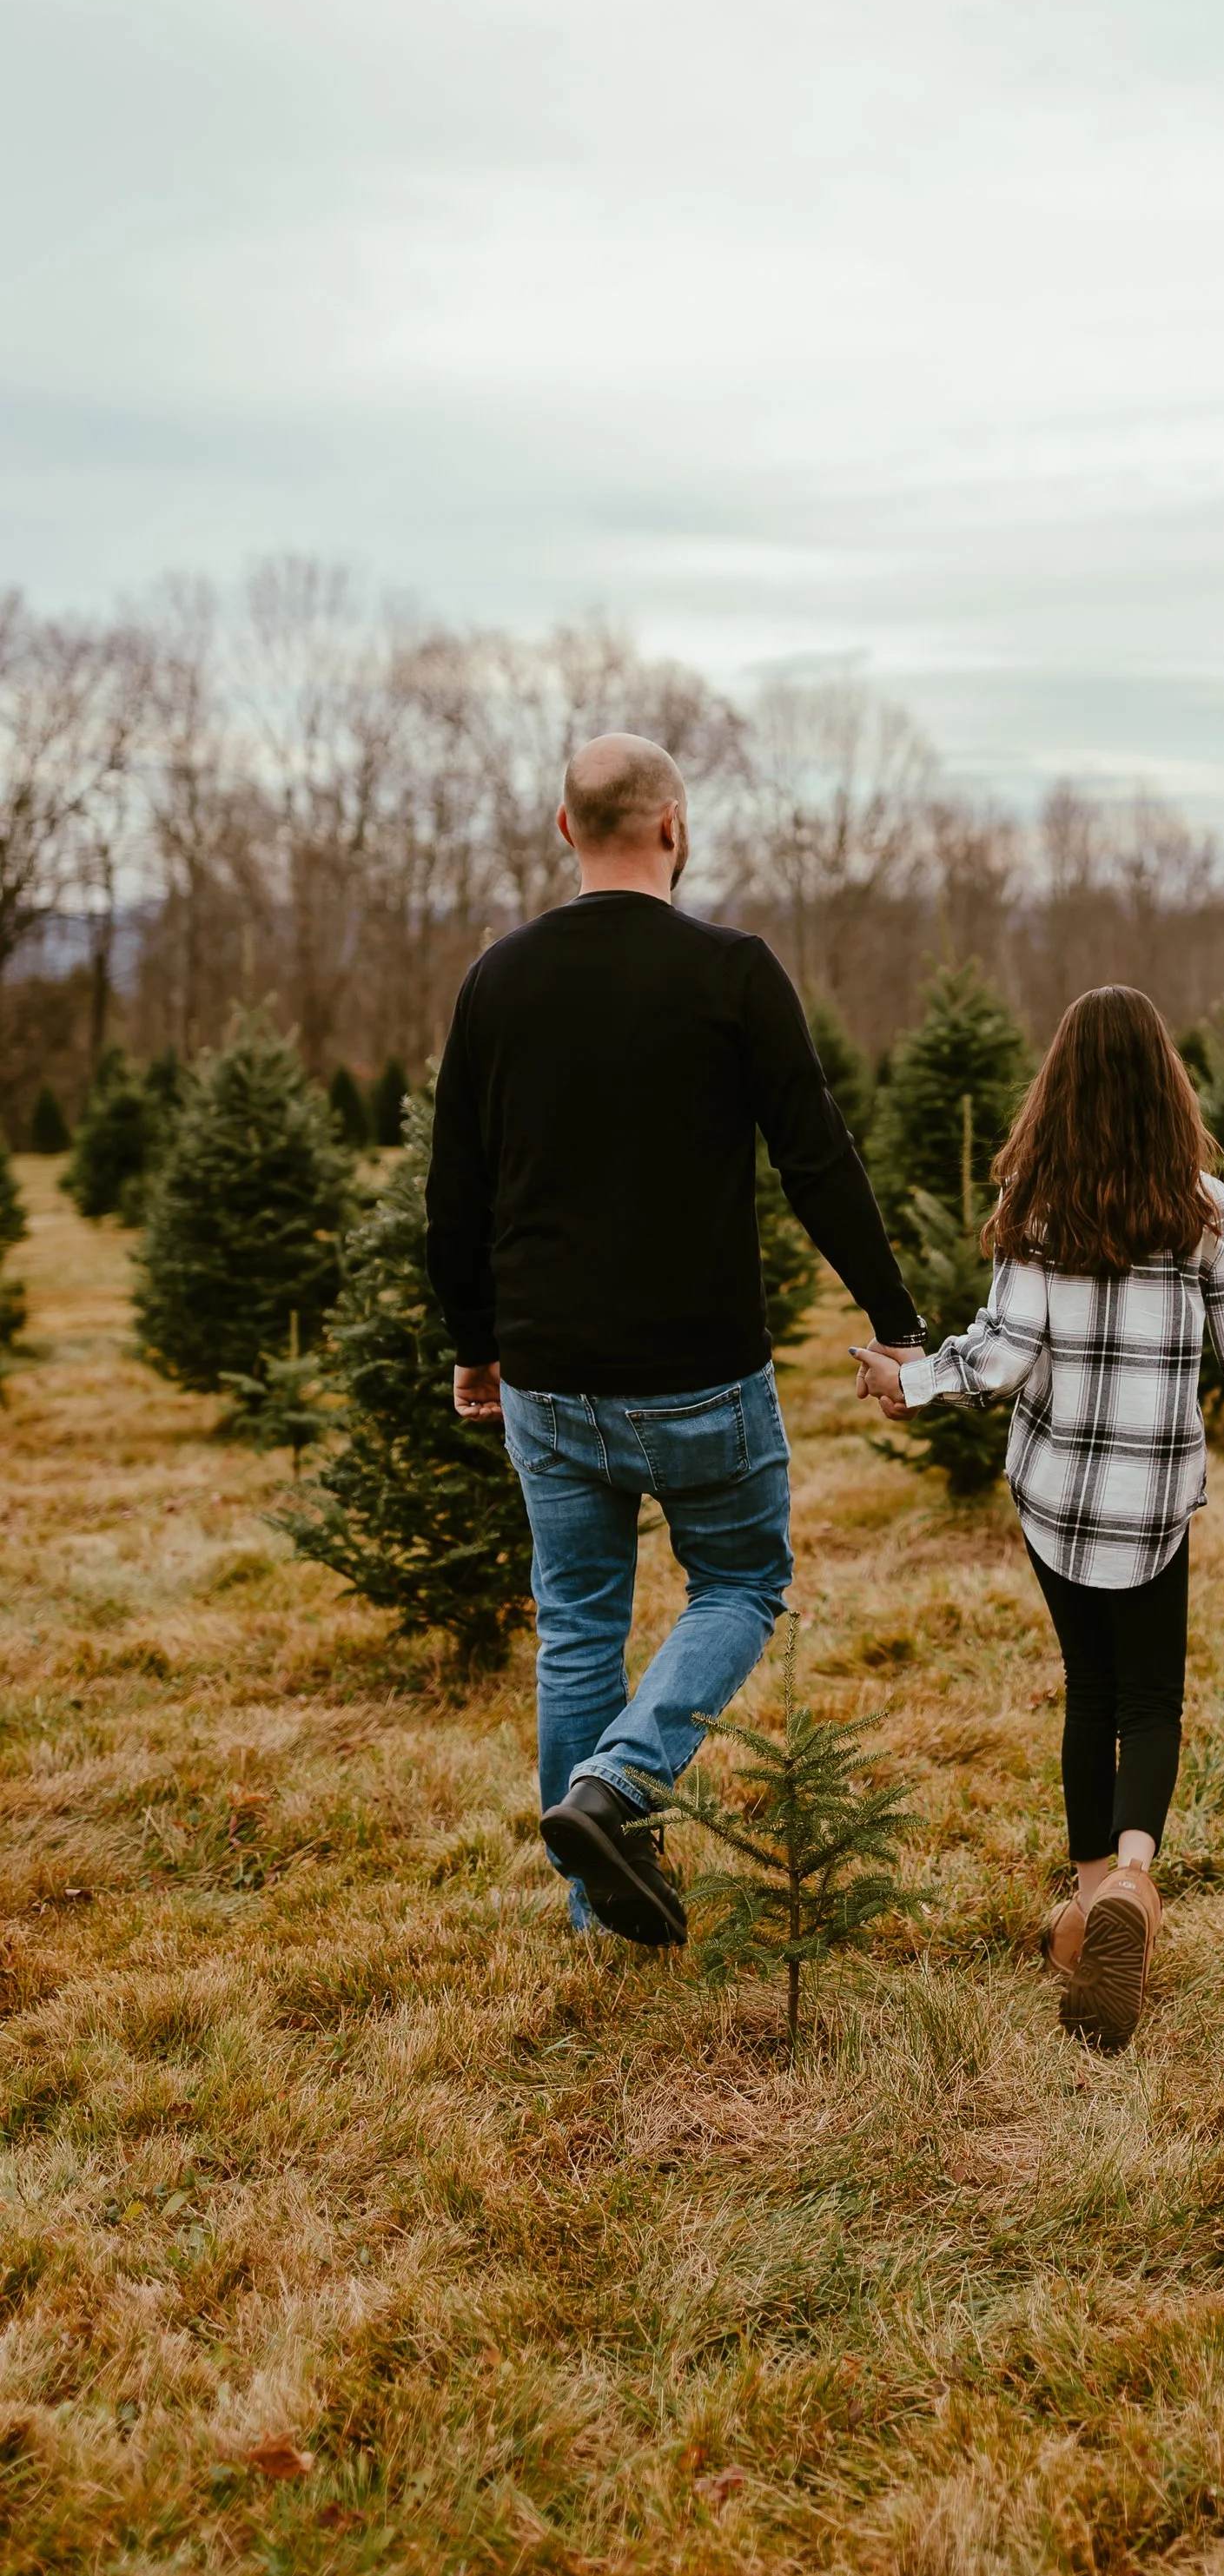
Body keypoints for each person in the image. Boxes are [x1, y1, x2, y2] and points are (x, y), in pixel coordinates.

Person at [425, 732, 923, 1945]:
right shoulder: (733, 971)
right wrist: (898, 1321)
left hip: (549, 1374)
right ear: (674, 827)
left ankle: (600, 1908)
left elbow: (457, 1191)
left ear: (564, 829)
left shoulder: (498, 979)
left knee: (580, 1623)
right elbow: (816, 1156)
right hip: (701, 1370)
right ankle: (617, 1787)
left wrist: (477, 1347)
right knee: (744, 1582)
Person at [852, 984, 1224, 2053]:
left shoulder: (1034, 1211)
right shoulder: (1206, 1210)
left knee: (1089, 1690)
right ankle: (1134, 1870)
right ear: (1165, 1087)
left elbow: (999, 1356)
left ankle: (1089, 1903)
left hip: (1056, 1494)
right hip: (1153, 1500)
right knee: (1152, 1694)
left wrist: (903, 1383)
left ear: (1060, 1087)